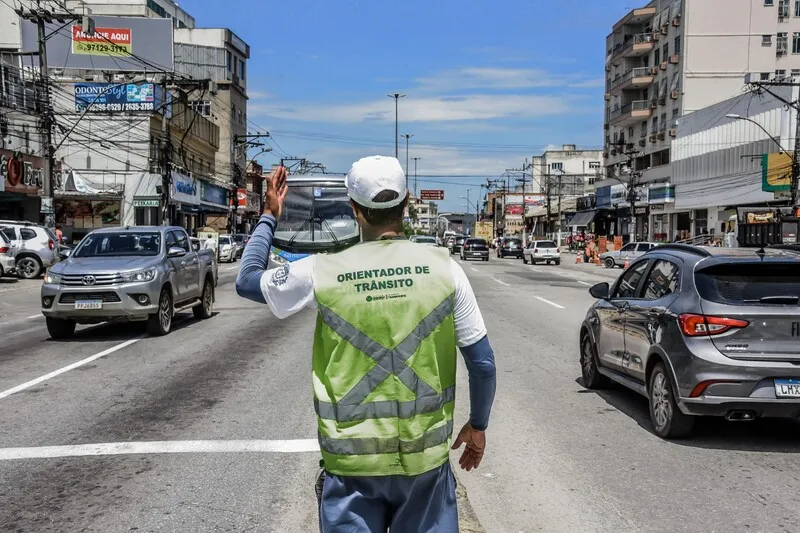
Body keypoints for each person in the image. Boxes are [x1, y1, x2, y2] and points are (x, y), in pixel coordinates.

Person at [236, 156, 497, 532]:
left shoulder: (322, 270)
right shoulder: (445, 270)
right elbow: (483, 363)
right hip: (424, 466)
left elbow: (248, 280)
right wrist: (478, 425)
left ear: (354, 209)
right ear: (406, 203)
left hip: (350, 470)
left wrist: (269, 215)